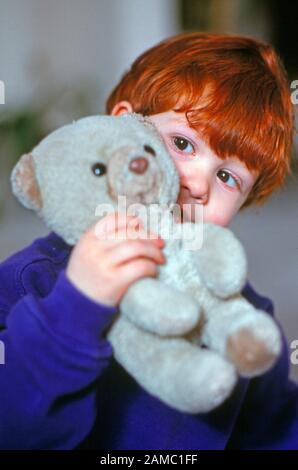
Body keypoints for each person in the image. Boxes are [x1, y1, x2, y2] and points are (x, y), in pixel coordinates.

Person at [0, 32, 297, 450]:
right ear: (123, 125)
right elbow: (12, 427)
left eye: (228, 178)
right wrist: (77, 305)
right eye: (182, 143)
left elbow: (275, 428)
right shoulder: (29, 283)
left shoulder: (241, 316)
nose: (197, 184)